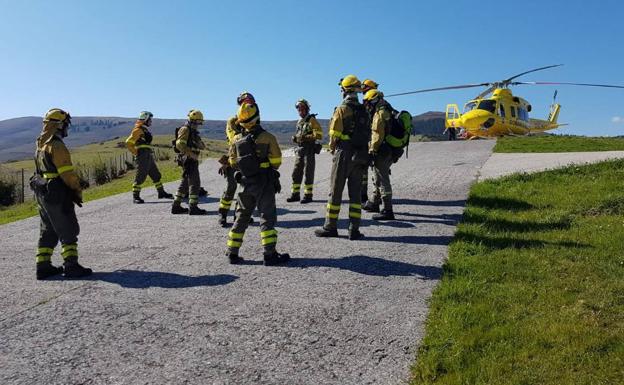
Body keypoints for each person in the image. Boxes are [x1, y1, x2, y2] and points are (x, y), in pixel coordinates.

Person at [225, 102, 290, 265]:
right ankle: (270, 254)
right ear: (258, 116)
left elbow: (232, 161)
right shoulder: (268, 137)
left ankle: (232, 252)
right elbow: (276, 162)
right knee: (266, 217)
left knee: (241, 216)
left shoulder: (237, 139)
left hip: (245, 183)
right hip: (264, 183)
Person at [31, 108, 92, 279]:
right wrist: (76, 189)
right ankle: (71, 266)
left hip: (42, 192)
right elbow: (67, 174)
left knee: (48, 228)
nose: (67, 128)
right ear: (59, 125)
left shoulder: (40, 144)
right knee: (68, 228)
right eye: (65, 124)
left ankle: (43, 266)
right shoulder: (56, 145)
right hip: (57, 192)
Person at [314, 75, 370, 240]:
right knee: (355, 194)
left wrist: (333, 149)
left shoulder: (342, 109)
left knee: (335, 191)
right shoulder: (364, 111)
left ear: (345, 90)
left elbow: (334, 134)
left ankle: (330, 226)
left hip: (344, 153)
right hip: (361, 154)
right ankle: (354, 229)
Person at [218, 92, 256, 227]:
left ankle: (238, 215)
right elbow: (233, 137)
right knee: (231, 187)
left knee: (244, 189)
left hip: (247, 159)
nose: (247, 104)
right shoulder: (232, 121)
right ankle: (222, 214)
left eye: (249, 102)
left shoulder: (254, 119)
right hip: (233, 157)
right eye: (244, 102)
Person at [362, 89, 396, 220]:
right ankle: (375, 202)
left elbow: (377, 135)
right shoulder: (386, 111)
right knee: (377, 177)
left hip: (381, 150)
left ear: (374, 101)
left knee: (383, 180)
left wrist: (372, 150)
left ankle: (388, 210)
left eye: (369, 103)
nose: (368, 106)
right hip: (387, 149)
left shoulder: (380, 114)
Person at [125, 111, 173, 204]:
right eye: (149, 120)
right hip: (142, 156)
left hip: (148, 155)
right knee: (141, 176)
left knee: (156, 174)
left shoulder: (144, 129)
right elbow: (128, 142)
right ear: (145, 119)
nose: (151, 121)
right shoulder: (137, 130)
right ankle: (136, 196)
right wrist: (137, 153)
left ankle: (161, 192)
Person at [286, 99, 323, 203]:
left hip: (309, 149)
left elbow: (319, 135)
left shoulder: (312, 120)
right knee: (296, 172)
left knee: (308, 172)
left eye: (302, 109)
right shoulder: (299, 122)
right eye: (299, 109)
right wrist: (295, 138)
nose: (300, 111)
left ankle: (308, 195)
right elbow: (299, 135)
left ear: (307, 109)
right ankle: (295, 194)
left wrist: (305, 137)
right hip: (300, 150)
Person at [171, 109, 207, 215]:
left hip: (190, 159)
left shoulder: (192, 131)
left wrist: (200, 144)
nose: (199, 125)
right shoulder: (185, 129)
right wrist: (192, 154)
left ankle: (176, 206)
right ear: (193, 121)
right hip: (188, 159)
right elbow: (179, 144)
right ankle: (193, 207)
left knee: (185, 183)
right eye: (198, 122)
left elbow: (200, 145)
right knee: (195, 183)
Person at [360, 78, 379, 204]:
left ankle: (371, 197)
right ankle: (374, 196)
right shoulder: (377, 103)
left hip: (370, 142)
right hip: (371, 142)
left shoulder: (372, 105)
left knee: (372, 171)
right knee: (372, 172)